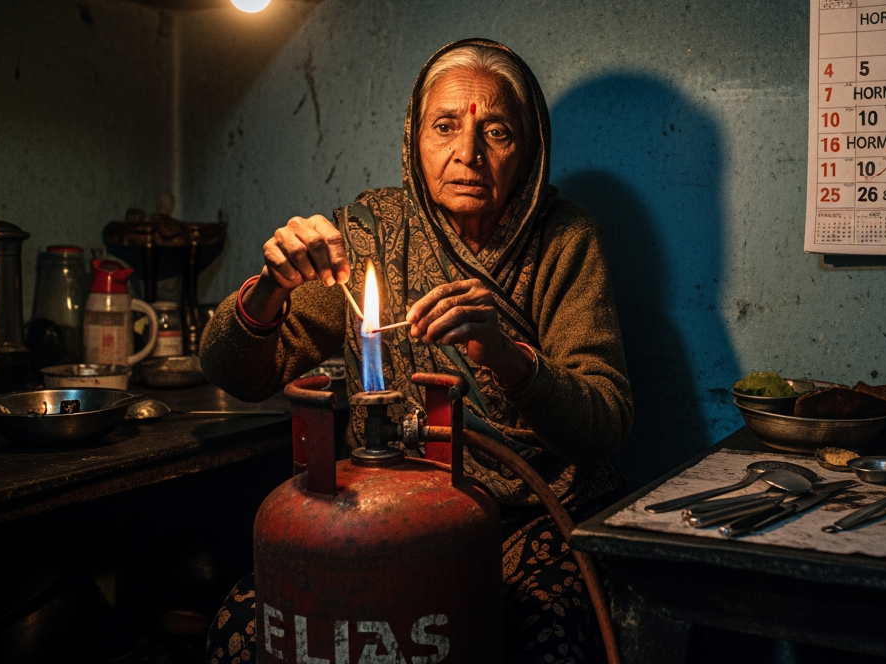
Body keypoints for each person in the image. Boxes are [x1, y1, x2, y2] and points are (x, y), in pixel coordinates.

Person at [199, 39, 633, 664]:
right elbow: (230, 372)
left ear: (531, 150)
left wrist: (507, 356)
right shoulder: (369, 233)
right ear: (414, 137)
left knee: (543, 640)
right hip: (387, 509)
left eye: (498, 132)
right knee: (247, 628)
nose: (468, 154)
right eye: (445, 126)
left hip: (530, 516)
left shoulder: (564, 240)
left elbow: (606, 421)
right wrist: (271, 285)